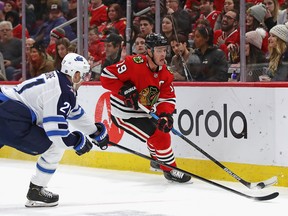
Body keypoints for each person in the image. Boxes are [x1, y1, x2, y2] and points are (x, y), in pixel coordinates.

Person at [0, 52, 109, 207]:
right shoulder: (62, 91)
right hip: (10, 119)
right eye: (84, 75)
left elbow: (74, 111)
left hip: (6, 109)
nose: (85, 79)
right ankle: (36, 190)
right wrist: (77, 141)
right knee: (54, 146)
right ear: (75, 74)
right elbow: (57, 135)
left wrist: (94, 132)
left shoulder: (59, 81)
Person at [100, 33, 191, 183]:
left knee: (161, 131)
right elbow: (106, 76)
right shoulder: (133, 63)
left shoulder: (166, 73)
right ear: (149, 51)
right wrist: (124, 89)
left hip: (144, 111)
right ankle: (170, 170)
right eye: (159, 50)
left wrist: (165, 115)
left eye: (164, 50)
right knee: (161, 137)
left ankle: (157, 160)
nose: (163, 54)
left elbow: (167, 97)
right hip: (124, 114)